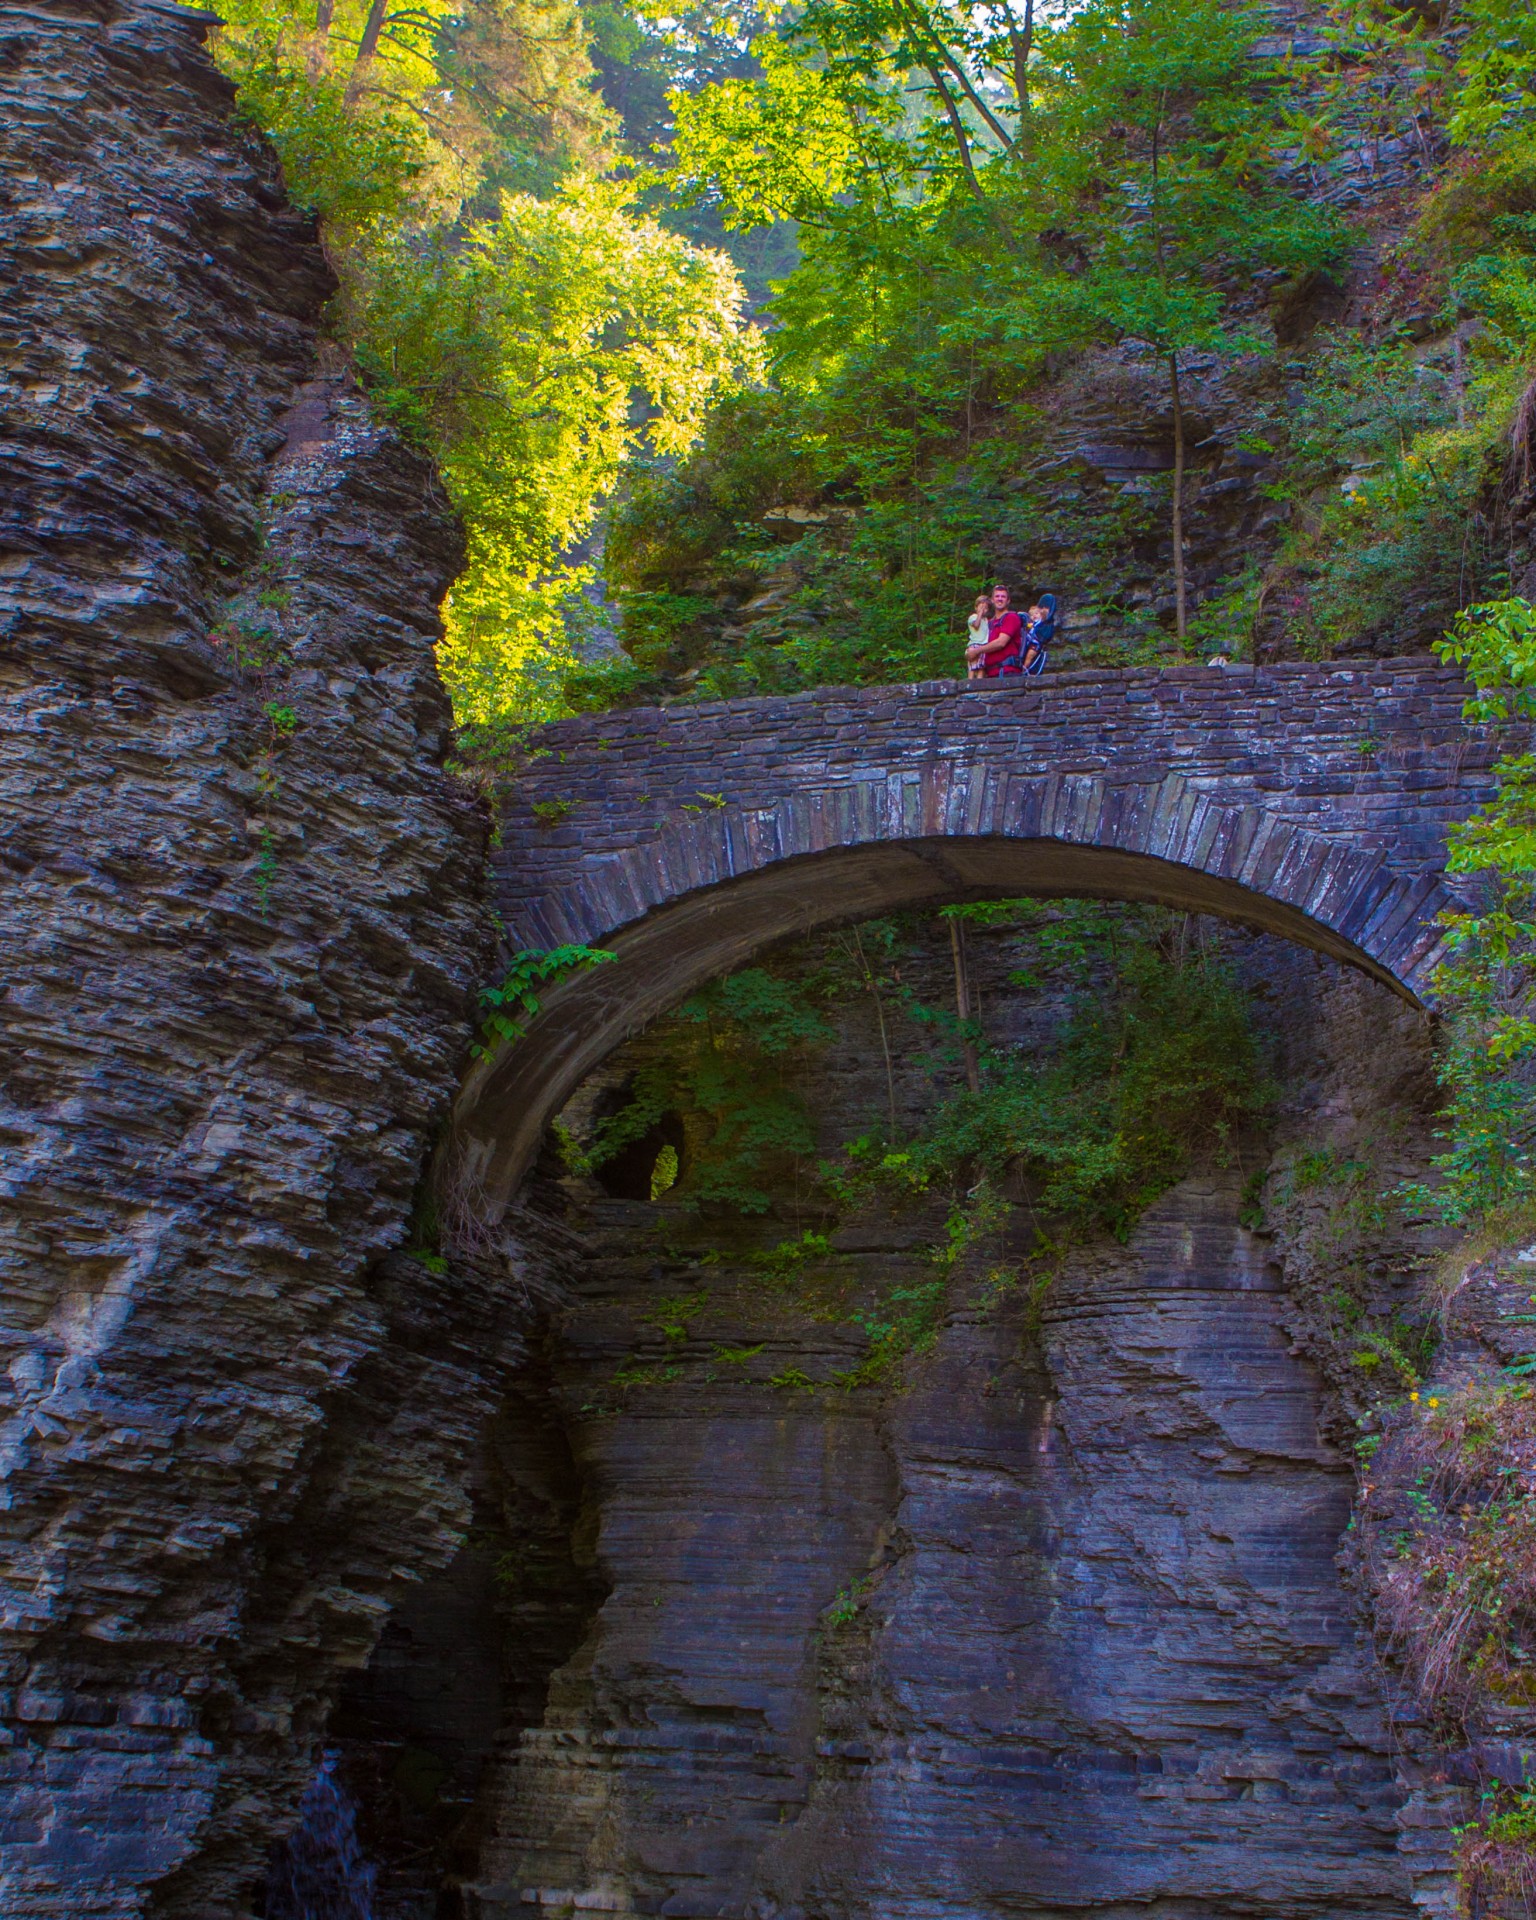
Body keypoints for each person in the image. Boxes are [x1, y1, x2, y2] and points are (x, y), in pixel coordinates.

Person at [967, 583, 1025, 679]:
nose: (1000, 599)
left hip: (1007, 673)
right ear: (992, 600)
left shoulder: (1011, 618)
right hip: (990, 674)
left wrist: (976, 651)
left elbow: (1001, 642)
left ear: (1008, 601)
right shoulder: (989, 623)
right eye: (997, 596)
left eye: (1003, 596)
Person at [1020, 591, 1057, 676]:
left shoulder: (1046, 624)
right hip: (1029, 640)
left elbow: (1044, 635)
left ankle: (1024, 668)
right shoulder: (1034, 623)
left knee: (1030, 655)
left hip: (1035, 644)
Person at [964, 593, 991, 680]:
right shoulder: (973, 617)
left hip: (984, 646)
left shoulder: (986, 620)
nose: (983, 610)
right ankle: (970, 681)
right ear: (976, 607)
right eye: (981, 607)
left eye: (985, 608)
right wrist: (979, 614)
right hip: (975, 644)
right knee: (973, 666)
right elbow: (976, 625)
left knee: (981, 667)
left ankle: (979, 683)